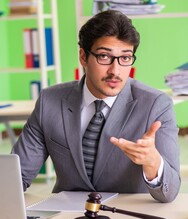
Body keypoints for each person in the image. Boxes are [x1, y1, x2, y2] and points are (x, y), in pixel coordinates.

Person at [11, 10, 180, 203]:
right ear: (83, 57)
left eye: (125, 58)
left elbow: (170, 192)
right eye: (104, 57)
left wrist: (153, 162)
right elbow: (17, 178)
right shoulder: (50, 101)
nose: (115, 71)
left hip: (130, 218)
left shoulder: (156, 105)